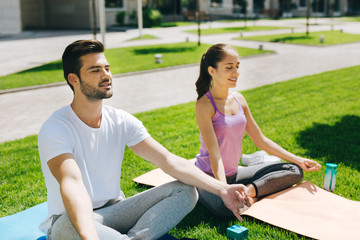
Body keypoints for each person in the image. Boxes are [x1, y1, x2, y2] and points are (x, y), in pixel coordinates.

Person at [37, 40, 251, 240]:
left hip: (115, 211)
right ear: (73, 79)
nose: (106, 75)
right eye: (95, 70)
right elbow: (72, 183)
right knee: (67, 225)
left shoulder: (120, 120)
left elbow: (169, 161)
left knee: (185, 190)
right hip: (74, 220)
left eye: (107, 68)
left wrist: (222, 188)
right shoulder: (56, 128)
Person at [194, 43, 321, 217]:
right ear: (212, 71)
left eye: (237, 66)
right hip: (209, 177)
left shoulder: (239, 99)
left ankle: (249, 193)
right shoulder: (204, 105)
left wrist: (298, 159)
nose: (236, 72)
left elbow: (260, 140)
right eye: (229, 67)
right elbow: (215, 154)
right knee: (224, 210)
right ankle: (244, 196)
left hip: (235, 173)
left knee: (294, 170)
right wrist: (225, 189)